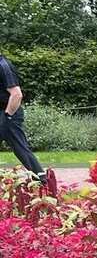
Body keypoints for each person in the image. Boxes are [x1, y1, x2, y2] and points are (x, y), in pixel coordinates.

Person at [0, 45, 46, 182]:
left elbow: (17, 95)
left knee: (19, 147)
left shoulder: (3, 66)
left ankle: (41, 180)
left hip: (9, 114)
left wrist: (7, 116)